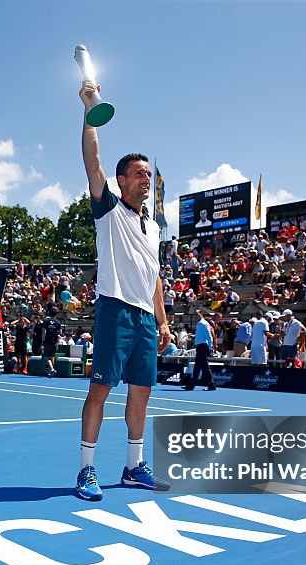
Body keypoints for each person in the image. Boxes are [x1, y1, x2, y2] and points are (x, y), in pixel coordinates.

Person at [75, 78, 171, 501]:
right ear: (121, 179)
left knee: (142, 393)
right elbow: (91, 160)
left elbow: (154, 277)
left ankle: (133, 467)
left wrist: (163, 321)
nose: (146, 179)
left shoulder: (153, 227)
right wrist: (88, 110)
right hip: (115, 310)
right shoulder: (109, 209)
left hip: (146, 319)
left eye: (149, 174)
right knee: (100, 390)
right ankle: (86, 469)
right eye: (139, 173)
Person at [185, 309, 217, 391]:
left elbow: (209, 336)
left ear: (201, 314)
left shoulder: (204, 324)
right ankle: (191, 385)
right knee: (198, 367)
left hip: (203, 347)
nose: (195, 316)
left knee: (204, 367)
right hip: (199, 347)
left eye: (197, 314)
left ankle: (211, 384)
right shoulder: (199, 324)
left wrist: (210, 348)